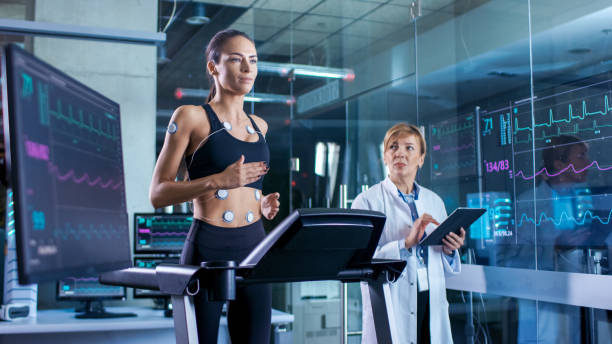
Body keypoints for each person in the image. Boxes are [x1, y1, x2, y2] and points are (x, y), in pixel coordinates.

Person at [149, 29, 280, 343]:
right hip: (209, 246)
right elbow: (157, 193)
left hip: (255, 247)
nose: (247, 69)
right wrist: (219, 181)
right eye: (236, 60)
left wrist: (261, 204)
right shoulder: (192, 117)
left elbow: (247, 188)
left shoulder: (260, 125)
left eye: (253, 61)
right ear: (213, 67)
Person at [351, 123, 465, 344]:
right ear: (385, 156)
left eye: (409, 148)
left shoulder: (434, 201)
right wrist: (405, 243)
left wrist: (450, 249)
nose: (400, 153)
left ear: (421, 159)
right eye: (393, 147)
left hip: (430, 299)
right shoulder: (366, 202)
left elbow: (443, 265)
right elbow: (358, 263)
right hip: (393, 301)